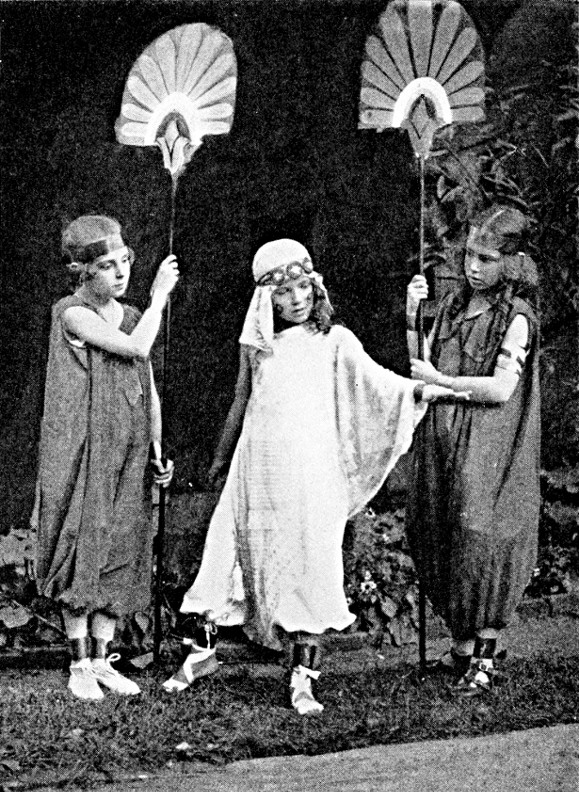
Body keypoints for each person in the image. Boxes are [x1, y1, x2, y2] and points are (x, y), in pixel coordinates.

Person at [161, 238, 465, 713]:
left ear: (316, 287)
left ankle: (303, 678)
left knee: (310, 564)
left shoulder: (335, 340)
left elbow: (377, 382)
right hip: (257, 469)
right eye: (284, 293)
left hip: (311, 474)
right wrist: (221, 460)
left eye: (303, 287)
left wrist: (422, 392)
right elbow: (242, 400)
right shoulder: (258, 346)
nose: (297, 299)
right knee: (226, 554)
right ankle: (201, 656)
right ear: (267, 300)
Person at [32, 214, 179, 700]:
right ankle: (79, 663)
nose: (120, 273)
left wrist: (156, 448)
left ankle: (101, 659)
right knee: (84, 540)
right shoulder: (71, 313)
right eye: (106, 266)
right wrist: (160, 297)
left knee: (122, 542)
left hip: (129, 447)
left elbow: (148, 387)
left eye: (124, 261)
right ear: (82, 271)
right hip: (85, 448)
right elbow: (135, 350)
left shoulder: (133, 315)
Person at [405, 204, 540, 694]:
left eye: (486, 258)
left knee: (479, 532)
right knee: (438, 525)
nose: (473, 267)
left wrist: (442, 382)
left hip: (488, 443)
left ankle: (484, 653)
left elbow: (501, 389)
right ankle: (461, 647)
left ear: (513, 262)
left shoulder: (516, 317)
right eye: (469, 255)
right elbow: (421, 366)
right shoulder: (452, 307)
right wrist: (412, 315)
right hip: (444, 434)